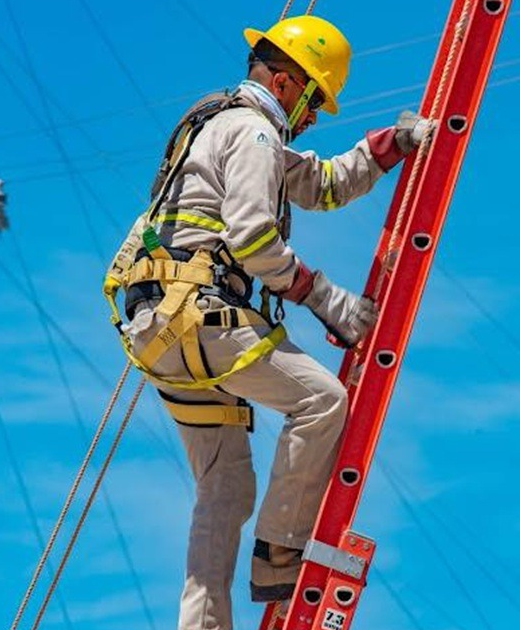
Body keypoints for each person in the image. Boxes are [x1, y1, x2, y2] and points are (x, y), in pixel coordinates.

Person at [103, 14, 432, 630]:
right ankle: (280, 550)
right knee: (322, 401)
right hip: (201, 317)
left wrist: (390, 146)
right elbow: (252, 238)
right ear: (285, 83)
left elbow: (323, 185)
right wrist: (325, 298)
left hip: (157, 331)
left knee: (224, 488)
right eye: (314, 101)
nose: (314, 118)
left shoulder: (222, 125)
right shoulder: (254, 132)